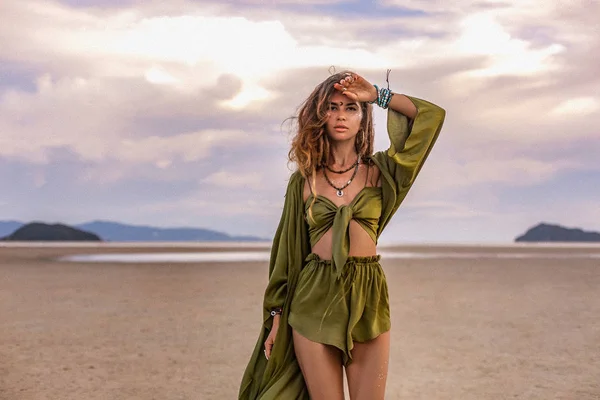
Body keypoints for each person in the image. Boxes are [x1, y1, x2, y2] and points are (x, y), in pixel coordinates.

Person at [238, 70, 446, 400]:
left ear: (363, 118)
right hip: (313, 297)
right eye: (332, 107)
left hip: (369, 296)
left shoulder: (383, 173)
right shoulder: (304, 181)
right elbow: (286, 253)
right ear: (320, 115)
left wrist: (377, 94)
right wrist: (276, 316)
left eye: (351, 108)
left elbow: (431, 117)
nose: (341, 116)